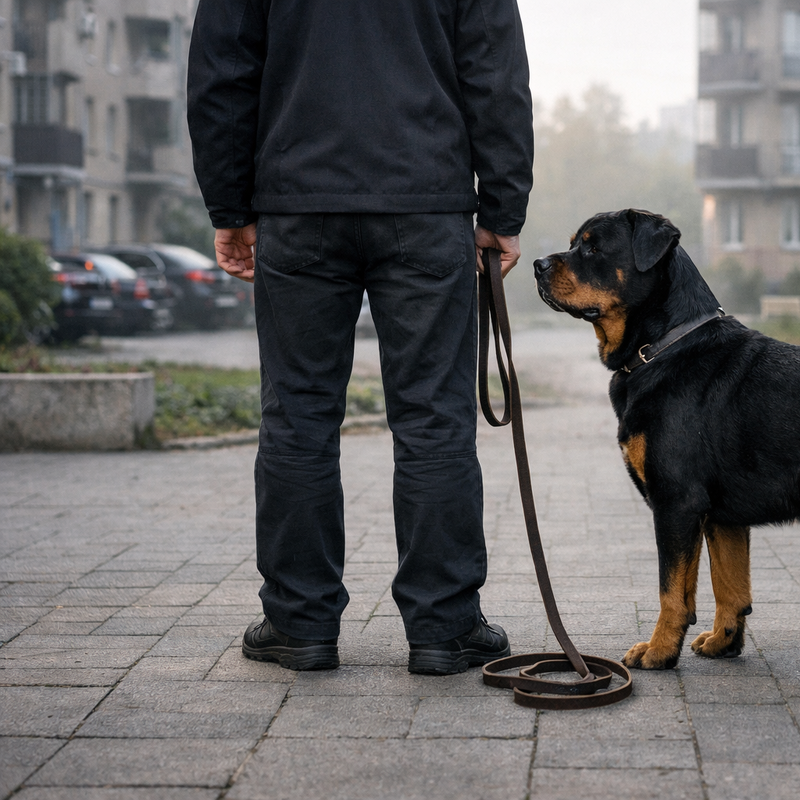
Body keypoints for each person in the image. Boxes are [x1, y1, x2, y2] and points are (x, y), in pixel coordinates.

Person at [186, 0, 534, 675]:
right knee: (435, 416)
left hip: (297, 200)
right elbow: (495, 74)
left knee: (298, 414)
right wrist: (502, 207)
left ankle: (298, 624)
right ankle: (445, 628)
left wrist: (229, 206)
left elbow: (222, 71)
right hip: (426, 201)